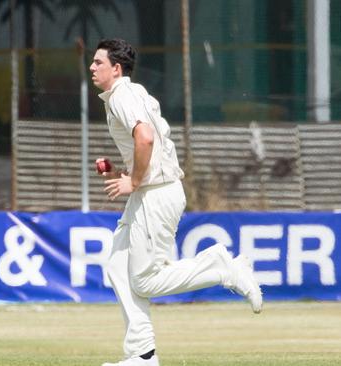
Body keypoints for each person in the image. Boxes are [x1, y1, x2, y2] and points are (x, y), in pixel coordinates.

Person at [90, 38, 263, 366]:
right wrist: (125, 172)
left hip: (156, 193)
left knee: (145, 279)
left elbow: (146, 137)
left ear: (116, 68)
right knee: (117, 265)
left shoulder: (122, 95)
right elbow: (148, 144)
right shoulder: (134, 92)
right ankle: (142, 355)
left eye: (98, 62)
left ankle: (222, 267)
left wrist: (135, 180)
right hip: (154, 190)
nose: (92, 67)